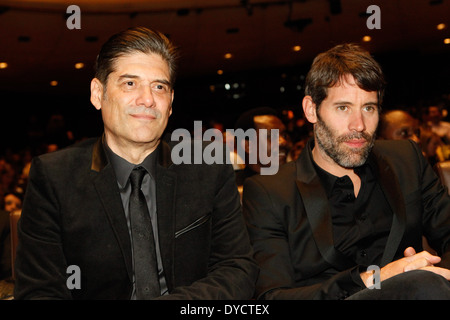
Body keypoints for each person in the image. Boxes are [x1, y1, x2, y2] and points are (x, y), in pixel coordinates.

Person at [14, 26, 258, 300]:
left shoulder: (206, 167)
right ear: (98, 93)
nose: (148, 99)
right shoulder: (55, 177)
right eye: (130, 83)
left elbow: (237, 269)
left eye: (159, 87)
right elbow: (40, 291)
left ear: (171, 103)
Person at [243, 43, 450, 300]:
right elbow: (271, 297)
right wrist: (374, 279)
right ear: (311, 110)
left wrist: (436, 274)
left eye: (369, 108)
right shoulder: (270, 193)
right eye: (343, 107)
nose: (359, 125)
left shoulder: (406, 159)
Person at [234, 107, 290, 187]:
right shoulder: (233, 191)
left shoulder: (298, 182)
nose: (283, 142)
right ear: (247, 146)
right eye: (270, 136)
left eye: (284, 135)